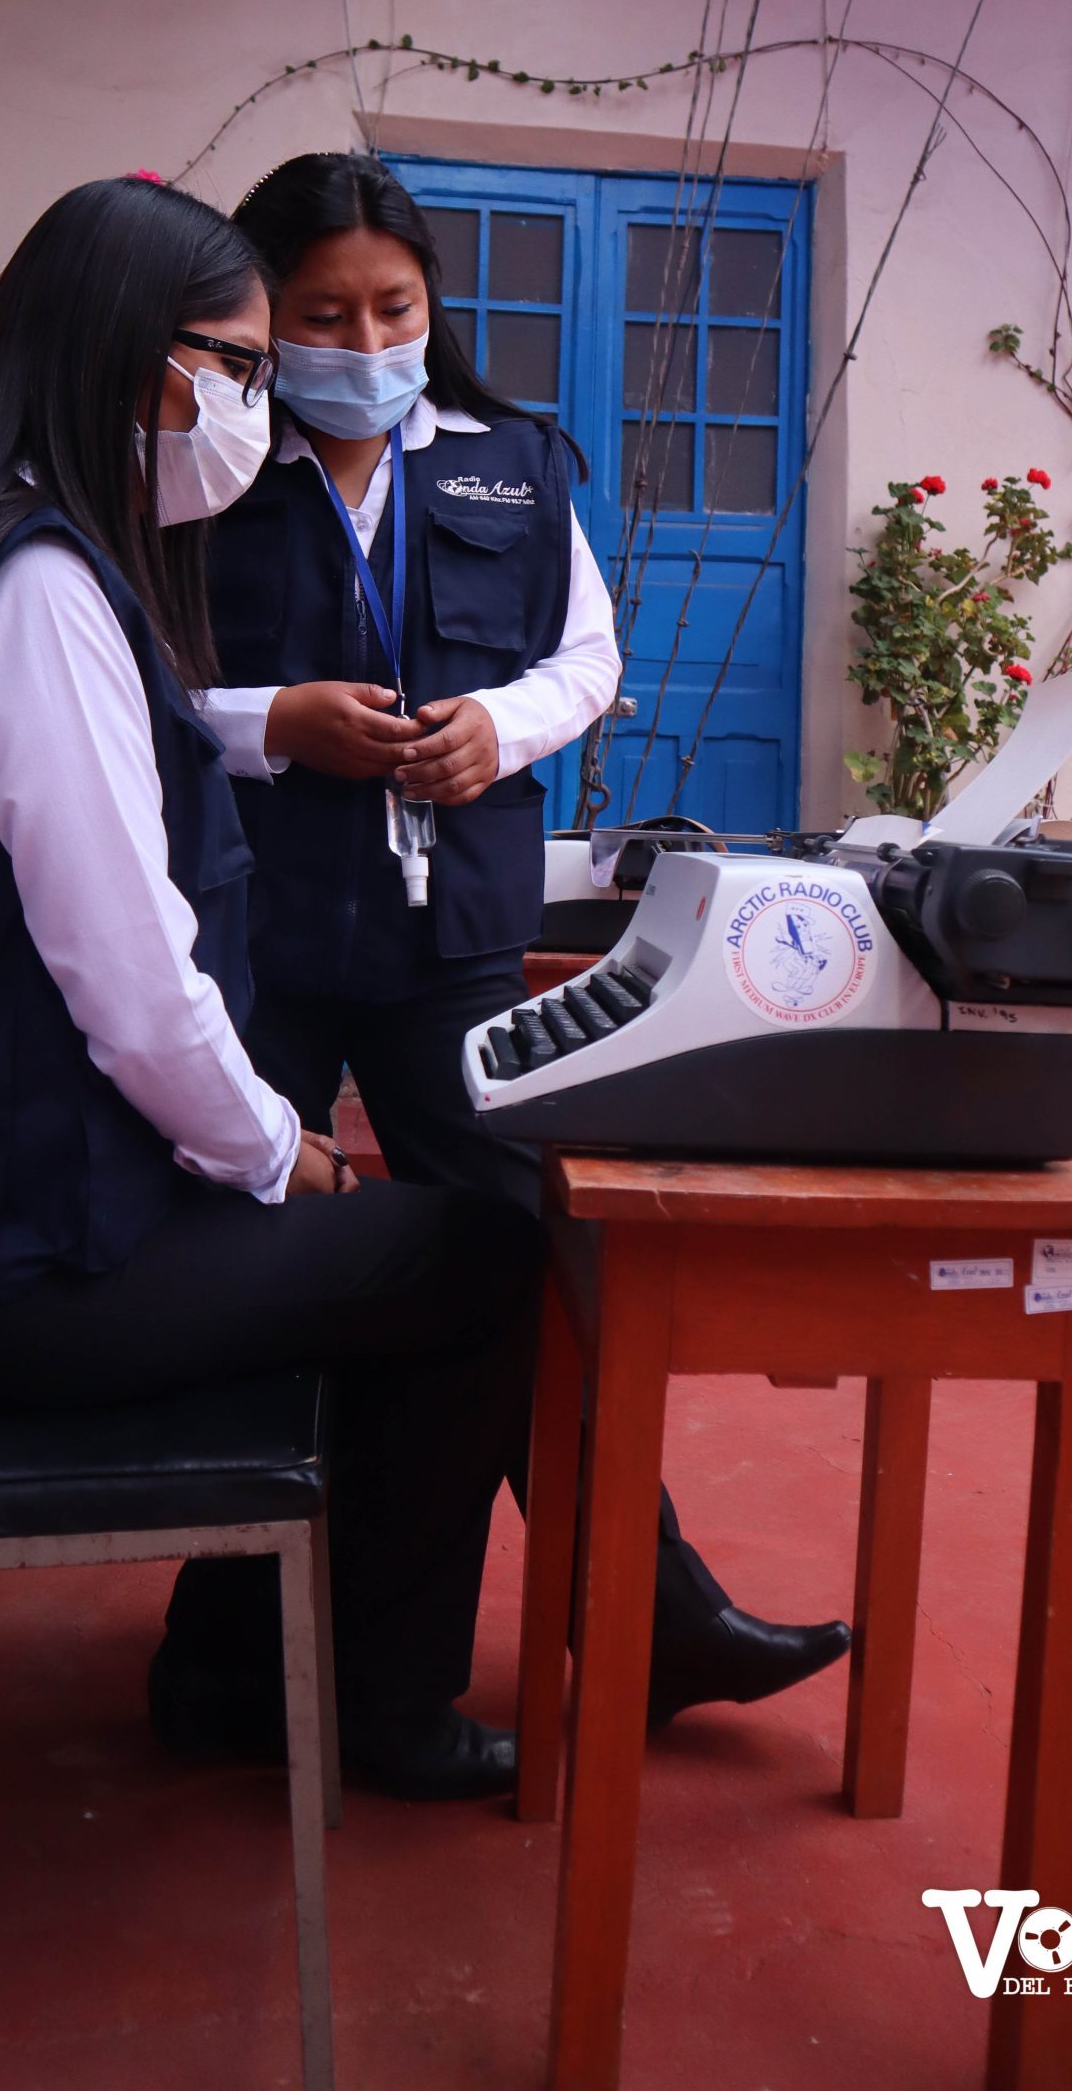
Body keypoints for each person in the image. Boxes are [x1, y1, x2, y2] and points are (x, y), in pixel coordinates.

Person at [0, 174, 545, 1802]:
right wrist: (276, 1154)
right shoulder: (37, 593)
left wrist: (272, 1164)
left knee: (386, 1254)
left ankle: (231, 1668)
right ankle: (378, 1705)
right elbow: (130, 979)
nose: (256, 404)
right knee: (483, 1256)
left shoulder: (21, 559)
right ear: (134, 359)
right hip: (1, 1267)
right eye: (241, 363)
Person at [207, 151, 849, 1730]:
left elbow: (588, 657)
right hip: (249, 932)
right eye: (321, 315)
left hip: (449, 941)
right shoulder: (202, 464)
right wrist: (270, 723)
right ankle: (226, 1658)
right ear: (259, 315)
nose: (363, 342)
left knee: (519, 1262)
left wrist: (496, 725)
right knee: (243, 1275)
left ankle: (640, 1613)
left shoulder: (508, 461)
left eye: (393, 307)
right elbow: (132, 680)